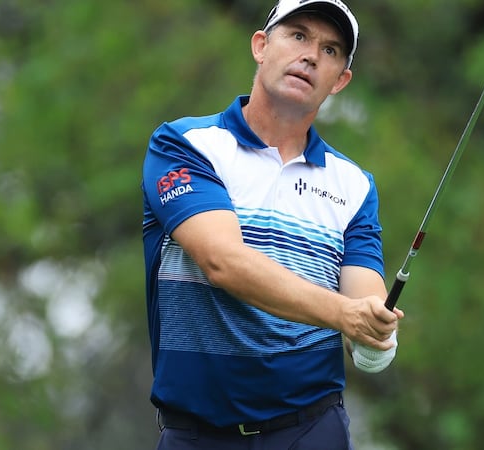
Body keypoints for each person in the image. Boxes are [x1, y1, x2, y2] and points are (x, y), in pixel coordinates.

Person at [140, 0, 404, 448]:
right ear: (261, 45)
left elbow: (366, 313)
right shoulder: (186, 145)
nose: (311, 55)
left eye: (331, 49)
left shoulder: (355, 186)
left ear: (340, 80)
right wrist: (347, 315)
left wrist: (377, 333)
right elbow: (222, 262)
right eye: (298, 36)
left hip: (311, 430)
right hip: (197, 435)